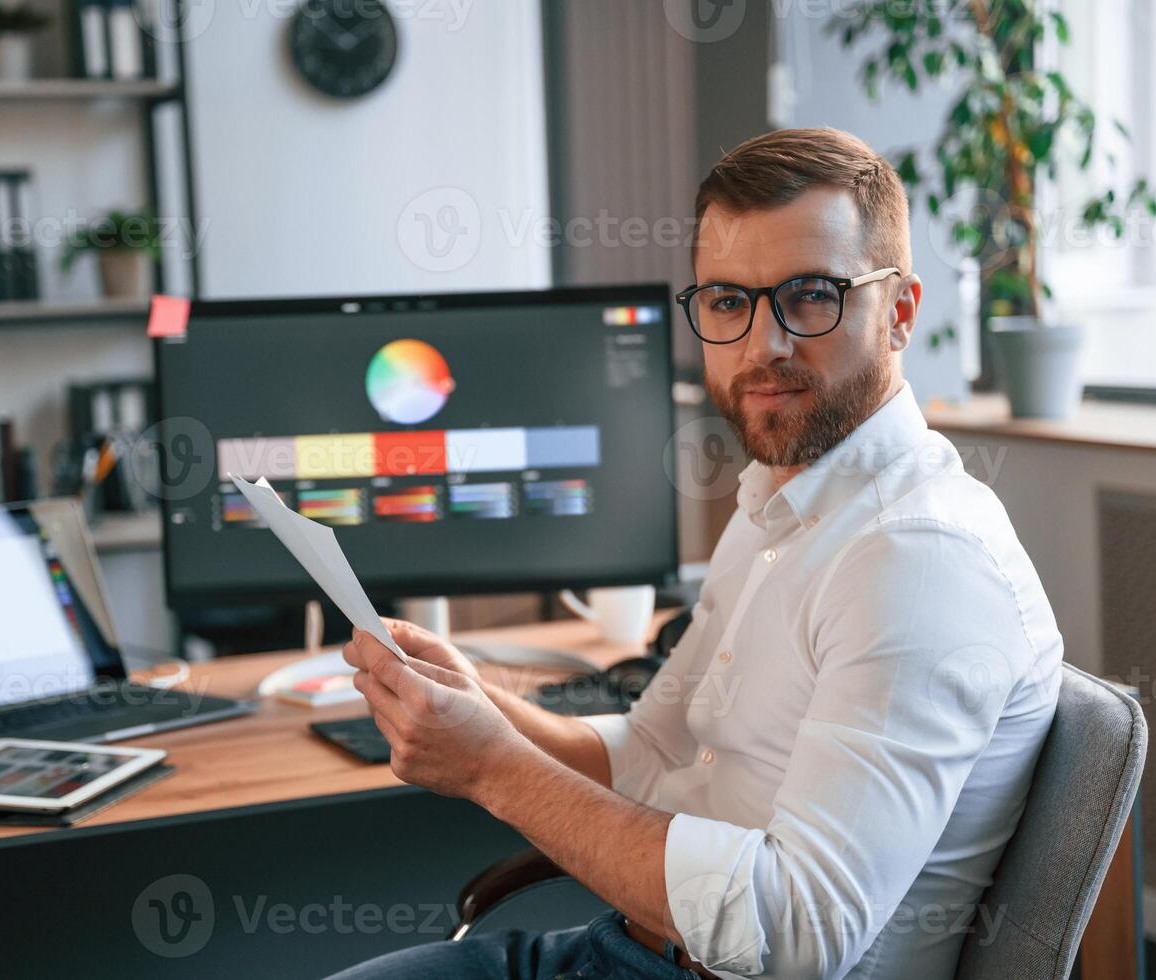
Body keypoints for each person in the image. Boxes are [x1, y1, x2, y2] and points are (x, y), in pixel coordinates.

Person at [328, 127, 1062, 980]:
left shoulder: (916, 560)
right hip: (632, 948)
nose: (762, 346)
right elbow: (651, 754)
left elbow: (792, 938)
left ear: (897, 311)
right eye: (726, 301)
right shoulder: (780, 499)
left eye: (811, 295)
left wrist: (492, 768)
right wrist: (481, 708)